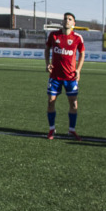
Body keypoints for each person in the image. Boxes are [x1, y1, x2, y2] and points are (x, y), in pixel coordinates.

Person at [45, 12, 85, 140]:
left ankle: (71, 130)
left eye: (70, 19)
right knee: (51, 102)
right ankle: (52, 129)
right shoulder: (54, 35)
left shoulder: (78, 38)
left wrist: (78, 70)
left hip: (70, 77)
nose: (67, 21)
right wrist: (48, 63)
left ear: (74, 23)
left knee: (73, 104)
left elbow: (82, 54)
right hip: (55, 76)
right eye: (65, 19)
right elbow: (47, 49)